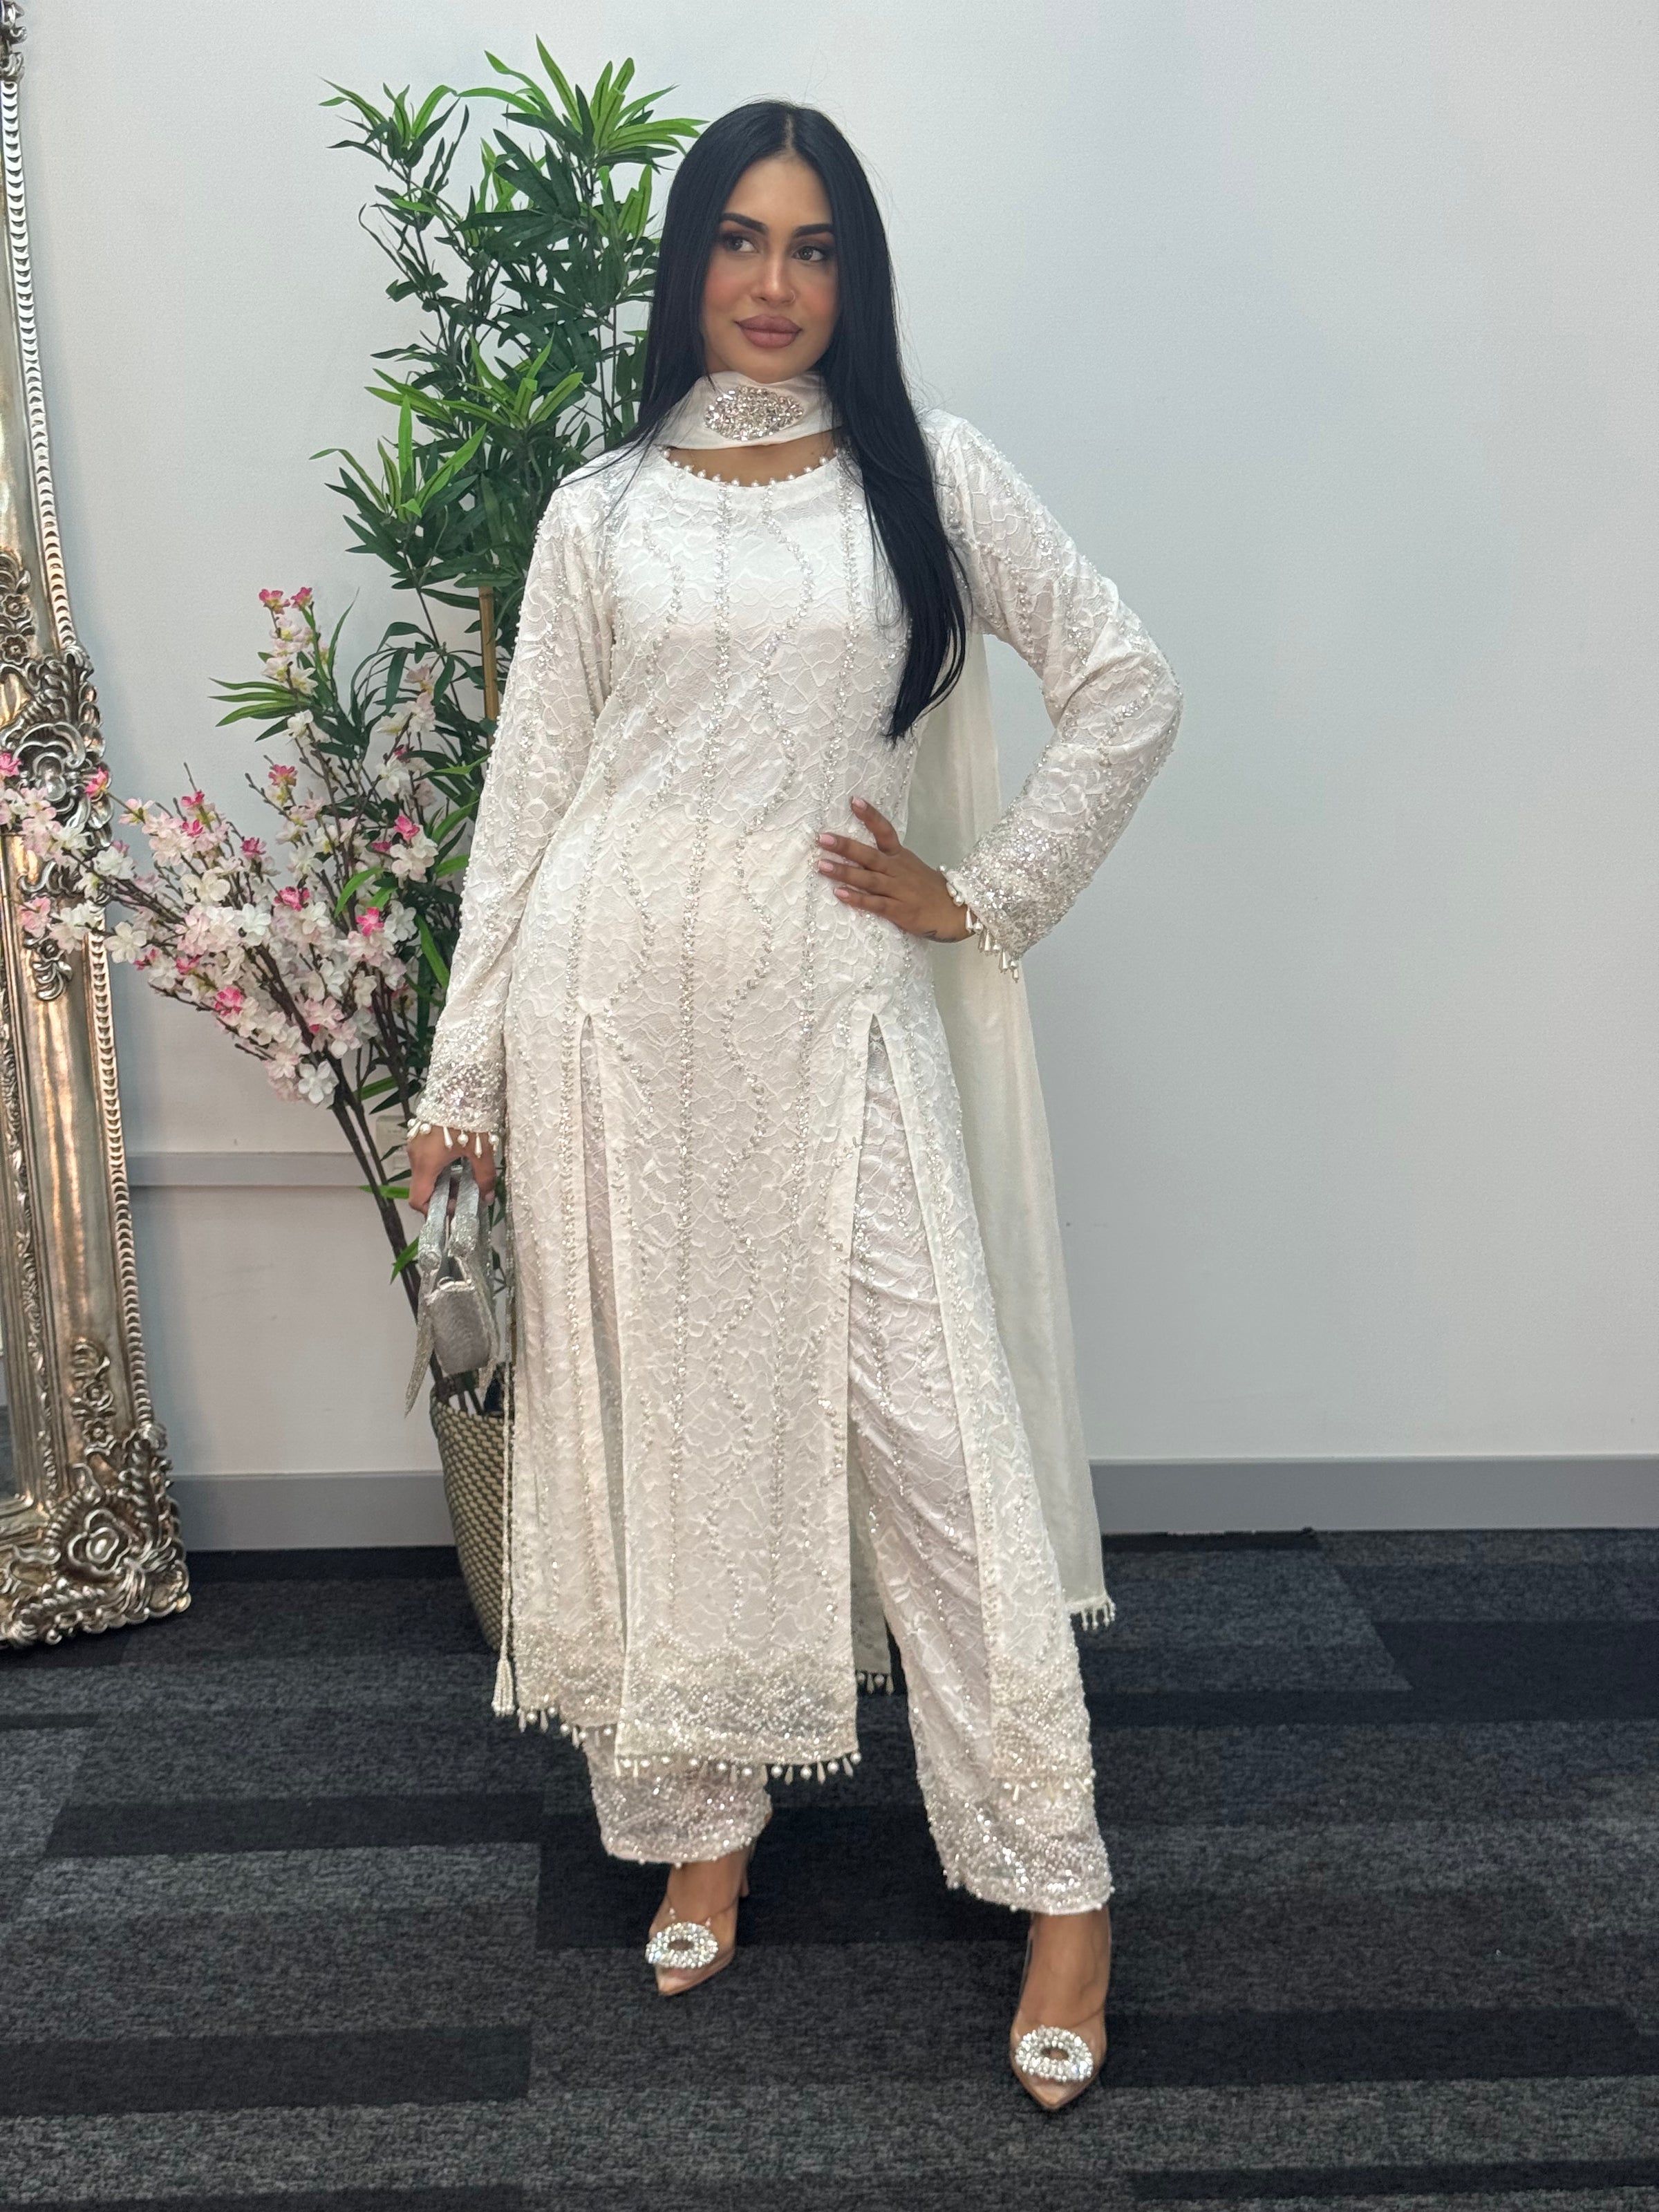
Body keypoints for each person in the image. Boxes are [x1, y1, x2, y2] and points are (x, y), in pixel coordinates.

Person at [406, 98, 1181, 2111]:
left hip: (828, 1016)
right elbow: (528, 803)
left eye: (814, 246)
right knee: (669, 1419)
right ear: (690, 266)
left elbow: (1128, 682)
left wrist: (984, 893)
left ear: (857, 274)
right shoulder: (601, 513)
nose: (773, 283)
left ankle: (1063, 1883)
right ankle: (700, 1820)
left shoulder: (929, 475)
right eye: (740, 242)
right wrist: (464, 1069)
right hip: (609, 1022)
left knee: (943, 1448)